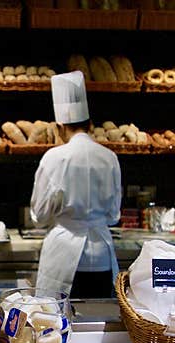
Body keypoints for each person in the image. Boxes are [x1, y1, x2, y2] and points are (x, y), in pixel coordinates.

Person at [30, 70, 122, 299]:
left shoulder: (54, 157)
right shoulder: (109, 157)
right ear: (90, 124)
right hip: (101, 256)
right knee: (98, 324)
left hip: (64, 256)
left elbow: (39, 216)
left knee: (56, 324)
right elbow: (113, 215)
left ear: (60, 126)